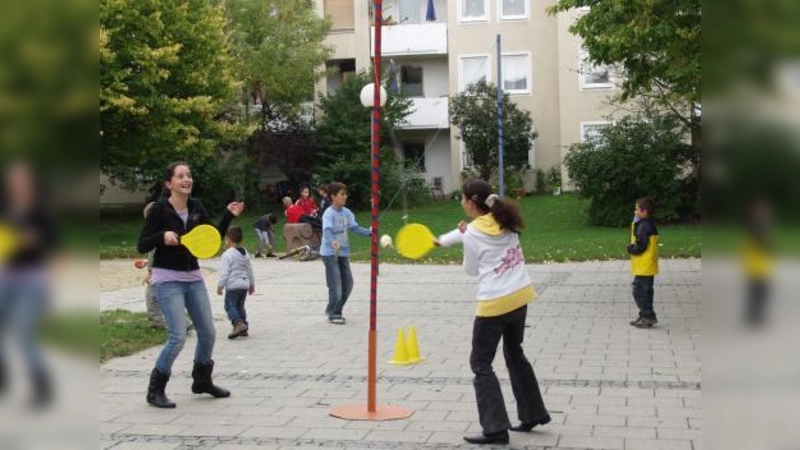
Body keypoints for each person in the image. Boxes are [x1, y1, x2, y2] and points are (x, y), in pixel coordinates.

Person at [437, 179, 550, 445]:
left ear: (471, 202)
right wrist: (462, 235)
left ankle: (496, 428)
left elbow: (471, 270)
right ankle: (533, 413)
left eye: (462, 198)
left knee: (481, 364)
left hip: (494, 304)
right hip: (520, 297)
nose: (461, 202)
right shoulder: (505, 218)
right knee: (515, 353)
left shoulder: (475, 231)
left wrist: (466, 240)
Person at [137, 161, 244, 408]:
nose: (187, 179)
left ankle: (202, 381)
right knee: (177, 336)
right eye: (180, 176)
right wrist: (162, 237)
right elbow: (142, 244)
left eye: (189, 175)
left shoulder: (197, 207)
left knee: (208, 333)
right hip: (167, 280)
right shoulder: (159, 210)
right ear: (169, 183)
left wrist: (228, 214)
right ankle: (155, 391)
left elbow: (211, 239)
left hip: (193, 278)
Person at [0, 160, 57, 408]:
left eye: (22, 180)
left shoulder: (41, 212)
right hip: (6, 275)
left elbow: (55, 248)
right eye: (14, 180)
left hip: (33, 279)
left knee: (24, 334)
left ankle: (40, 384)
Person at [320, 182, 370, 324]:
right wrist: (332, 241)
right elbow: (327, 230)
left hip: (343, 253)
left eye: (345, 194)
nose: (345, 196)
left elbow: (355, 227)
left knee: (348, 284)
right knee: (336, 285)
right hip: (330, 254)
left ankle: (333, 309)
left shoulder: (347, 213)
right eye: (342, 194)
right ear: (333, 196)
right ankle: (335, 314)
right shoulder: (328, 213)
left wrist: (369, 233)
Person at [217, 226, 255, 339]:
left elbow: (224, 273)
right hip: (244, 285)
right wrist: (252, 284)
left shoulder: (227, 255)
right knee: (240, 306)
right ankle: (244, 327)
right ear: (241, 240)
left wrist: (220, 286)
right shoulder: (245, 253)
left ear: (228, 239)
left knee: (229, 305)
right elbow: (249, 269)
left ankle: (238, 324)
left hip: (233, 285)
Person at [626, 197, 659, 328]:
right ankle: (645, 314)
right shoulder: (646, 223)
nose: (635, 211)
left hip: (644, 266)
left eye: (637, 209)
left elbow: (641, 246)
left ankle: (648, 315)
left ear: (644, 212)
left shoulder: (644, 226)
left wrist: (630, 248)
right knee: (643, 291)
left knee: (640, 291)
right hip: (645, 265)